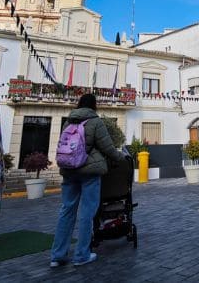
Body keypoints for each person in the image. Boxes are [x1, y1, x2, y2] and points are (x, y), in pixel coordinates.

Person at [50, 93, 125, 267]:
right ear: (94, 106)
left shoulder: (69, 121)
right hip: (89, 172)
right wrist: (120, 157)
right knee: (86, 213)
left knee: (66, 210)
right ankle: (81, 255)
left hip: (69, 170)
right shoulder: (95, 121)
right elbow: (108, 148)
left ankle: (57, 255)